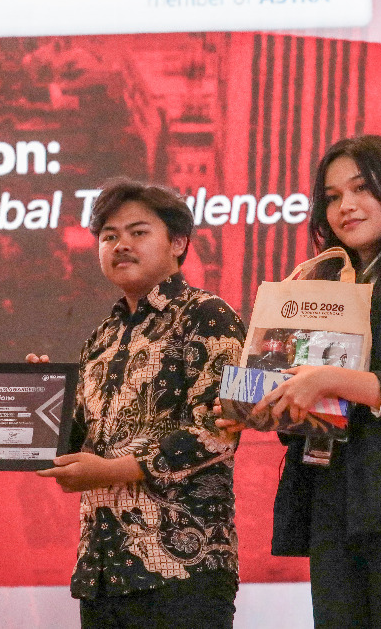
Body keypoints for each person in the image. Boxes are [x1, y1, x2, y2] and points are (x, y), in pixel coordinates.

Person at [219, 135, 381, 628]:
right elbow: (308, 397)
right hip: (335, 498)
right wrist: (254, 402)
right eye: (332, 196)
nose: (346, 206)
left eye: (362, 188)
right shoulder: (322, 282)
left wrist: (328, 379)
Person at [31, 177, 246, 628]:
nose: (121, 245)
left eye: (138, 232)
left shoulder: (208, 315)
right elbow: (79, 440)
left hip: (183, 569)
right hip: (103, 569)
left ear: (178, 243)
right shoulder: (101, 338)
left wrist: (112, 471)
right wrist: (40, 401)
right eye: (109, 236)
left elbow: (219, 430)